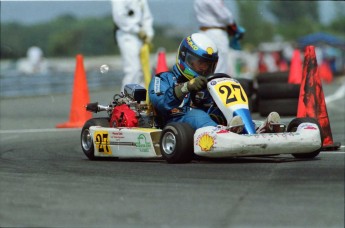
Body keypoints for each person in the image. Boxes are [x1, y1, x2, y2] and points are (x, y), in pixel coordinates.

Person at [148, 33, 280, 133]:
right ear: (185, 57)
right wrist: (186, 87)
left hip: (205, 120)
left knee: (225, 112)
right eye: (200, 63)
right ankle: (224, 134)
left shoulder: (207, 83)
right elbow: (161, 103)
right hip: (176, 121)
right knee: (197, 115)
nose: (204, 68)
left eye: (208, 64)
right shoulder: (163, 78)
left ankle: (253, 129)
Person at [111, 0, 154, 91]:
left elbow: (147, 16)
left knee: (143, 70)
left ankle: (141, 101)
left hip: (142, 38)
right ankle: (124, 101)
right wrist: (138, 30)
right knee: (133, 70)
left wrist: (148, 34)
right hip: (127, 34)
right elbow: (119, 17)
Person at [194, 0, 245, 75]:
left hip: (203, 32)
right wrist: (233, 25)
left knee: (204, 63)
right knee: (219, 65)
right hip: (216, 33)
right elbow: (224, 15)